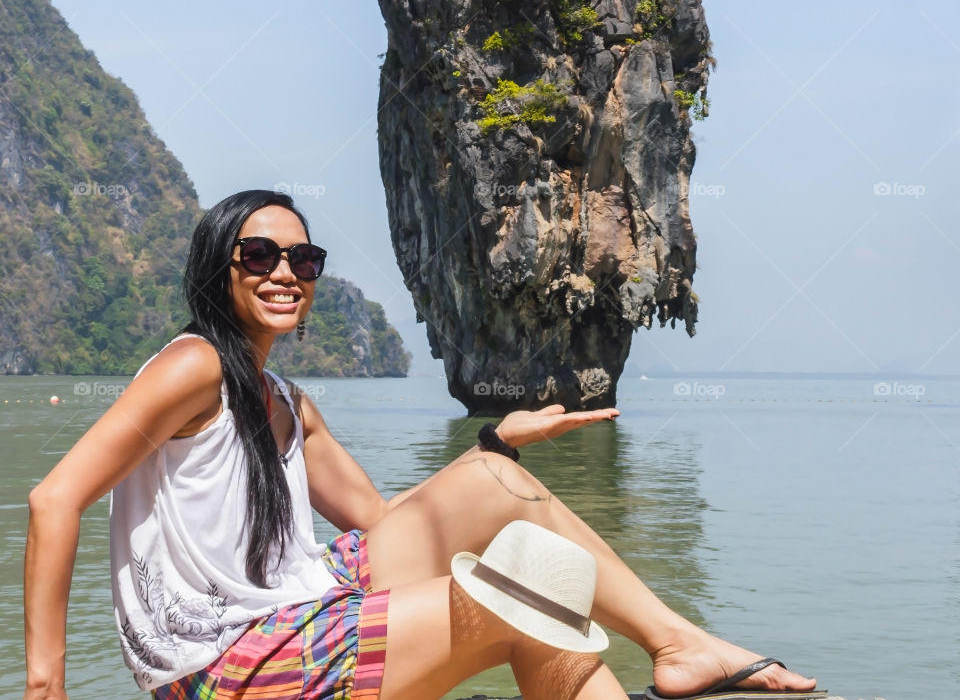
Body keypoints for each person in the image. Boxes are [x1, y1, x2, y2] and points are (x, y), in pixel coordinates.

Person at [23, 189, 824, 700]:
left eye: (303, 258)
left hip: (291, 604)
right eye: (259, 255)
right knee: (518, 603)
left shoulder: (289, 405)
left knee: (497, 497)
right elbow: (54, 499)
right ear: (219, 270)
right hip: (225, 662)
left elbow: (391, 527)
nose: (285, 272)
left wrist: (494, 444)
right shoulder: (194, 366)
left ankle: (677, 643)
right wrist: (45, 683)